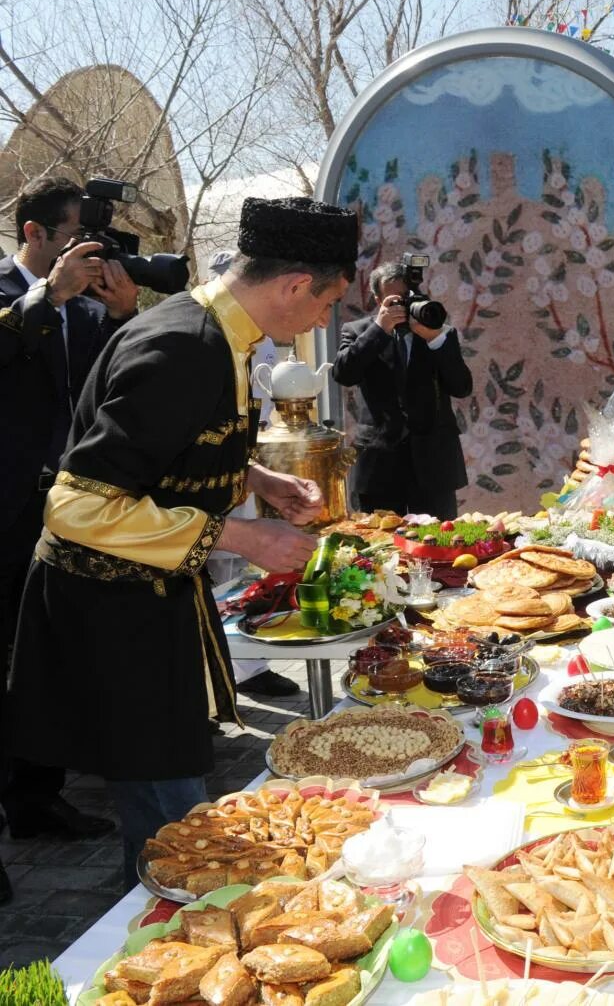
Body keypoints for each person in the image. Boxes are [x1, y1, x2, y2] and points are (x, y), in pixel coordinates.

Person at [3, 196, 357, 878]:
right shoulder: (180, 346)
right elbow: (74, 508)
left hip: (151, 595)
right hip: (110, 608)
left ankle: (166, 893)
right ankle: (165, 934)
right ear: (292, 285)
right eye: (326, 303)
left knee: (172, 781)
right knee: (168, 805)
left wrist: (262, 480)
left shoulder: (223, 336)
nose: (322, 320)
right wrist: (242, 537)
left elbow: (176, 443)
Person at [0, 177, 136, 858]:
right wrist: (47, 295)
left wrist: (118, 314)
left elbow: (105, 382)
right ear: (35, 235)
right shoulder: (13, 294)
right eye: (76, 238)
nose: (89, 253)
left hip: (66, 507)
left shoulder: (80, 311)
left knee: (46, 657)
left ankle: (36, 797)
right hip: (6, 509)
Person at [202, 249, 300, 700]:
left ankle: (244, 667)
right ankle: (220, 674)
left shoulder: (256, 338)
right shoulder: (198, 340)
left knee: (238, 574)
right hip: (192, 503)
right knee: (219, 572)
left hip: (240, 463)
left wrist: (259, 477)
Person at [332, 261, 473, 518]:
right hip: (380, 464)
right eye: (394, 301)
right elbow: (343, 373)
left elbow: (462, 387)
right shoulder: (358, 332)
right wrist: (379, 330)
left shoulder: (438, 333)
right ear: (378, 299)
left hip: (433, 461)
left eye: (407, 299)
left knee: (439, 543)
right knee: (379, 545)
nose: (403, 308)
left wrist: (436, 340)